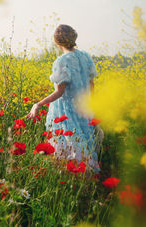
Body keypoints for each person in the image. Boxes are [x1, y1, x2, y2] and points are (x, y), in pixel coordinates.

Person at [26, 24, 101, 174]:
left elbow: (59, 92)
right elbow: (91, 85)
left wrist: (37, 104)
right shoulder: (85, 57)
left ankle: (69, 180)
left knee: (68, 147)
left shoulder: (62, 61)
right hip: (83, 109)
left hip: (66, 111)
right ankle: (87, 180)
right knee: (83, 144)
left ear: (57, 42)